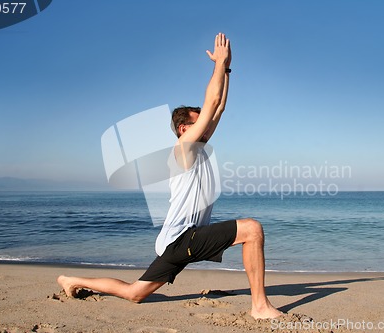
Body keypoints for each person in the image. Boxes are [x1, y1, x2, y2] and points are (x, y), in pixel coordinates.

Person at [57, 33, 282, 319]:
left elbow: (219, 106)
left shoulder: (197, 147)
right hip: (183, 238)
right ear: (183, 129)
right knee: (252, 229)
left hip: (175, 242)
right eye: (197, 119)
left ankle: (72, 280)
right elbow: (212, 103)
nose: (205, 122)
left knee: (135, 293)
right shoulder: (182, 150)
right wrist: (219, 63)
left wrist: (226, 69)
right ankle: (260, 307)